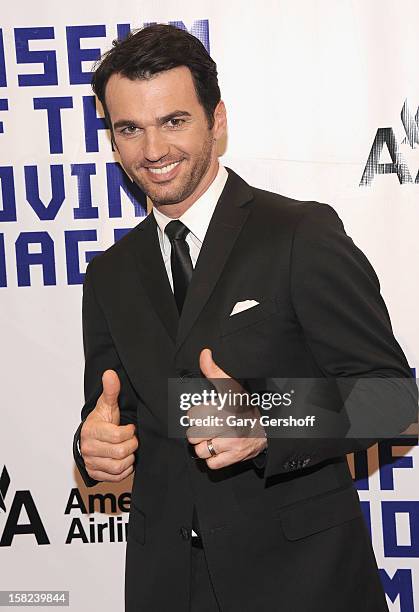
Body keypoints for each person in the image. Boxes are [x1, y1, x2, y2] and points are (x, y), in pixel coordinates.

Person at [73, 24, 417, 612]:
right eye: (129, 128)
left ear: (218, 120)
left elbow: (394, 401)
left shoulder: (298, 234)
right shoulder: (109, 274)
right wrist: (92, 450)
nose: (152, 150)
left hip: (304, 585)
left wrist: (267, 421)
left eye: (173, 121)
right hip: (167, 586)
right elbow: (112, 419)